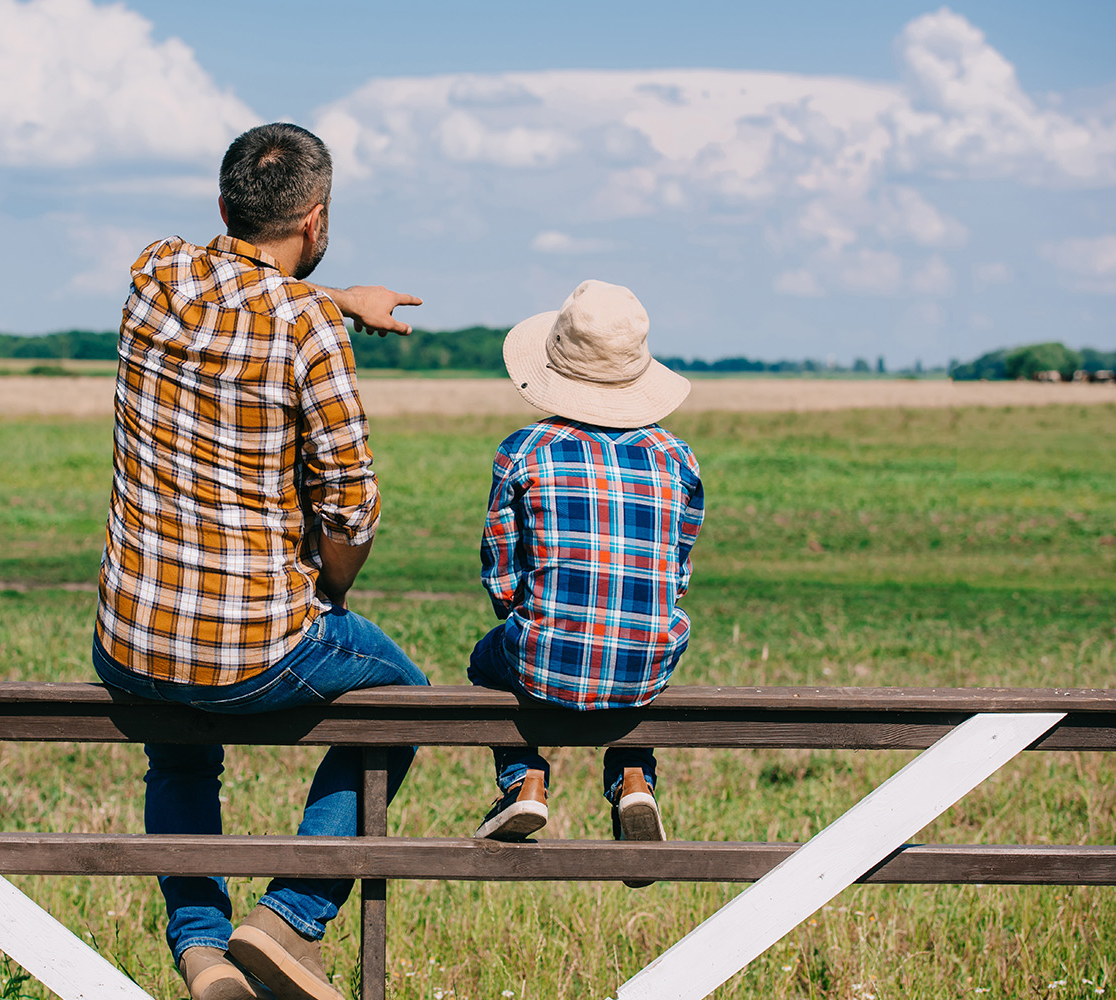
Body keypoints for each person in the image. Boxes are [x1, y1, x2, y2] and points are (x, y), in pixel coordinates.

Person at [91, 122, 428, 1000]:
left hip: (130, 641)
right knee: (407, 703)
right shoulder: (310, 334)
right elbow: (350, 505)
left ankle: (200, 948)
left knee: (179, 758)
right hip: (253, 651)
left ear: (221, 207)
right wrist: (329, 591)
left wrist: (338, 296)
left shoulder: (150, 275)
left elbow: (238, 280)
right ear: (315, 219)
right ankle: (287, 920)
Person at [466, 279, 704, 889]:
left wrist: (538, 617)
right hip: (649, 663)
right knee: (634, 650)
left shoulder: (525, 451)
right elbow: (675, 574)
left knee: (485, 662)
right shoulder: (678, 458)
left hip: (543, 661)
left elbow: (501, 579)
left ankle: (524, 781)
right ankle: (632, 779)